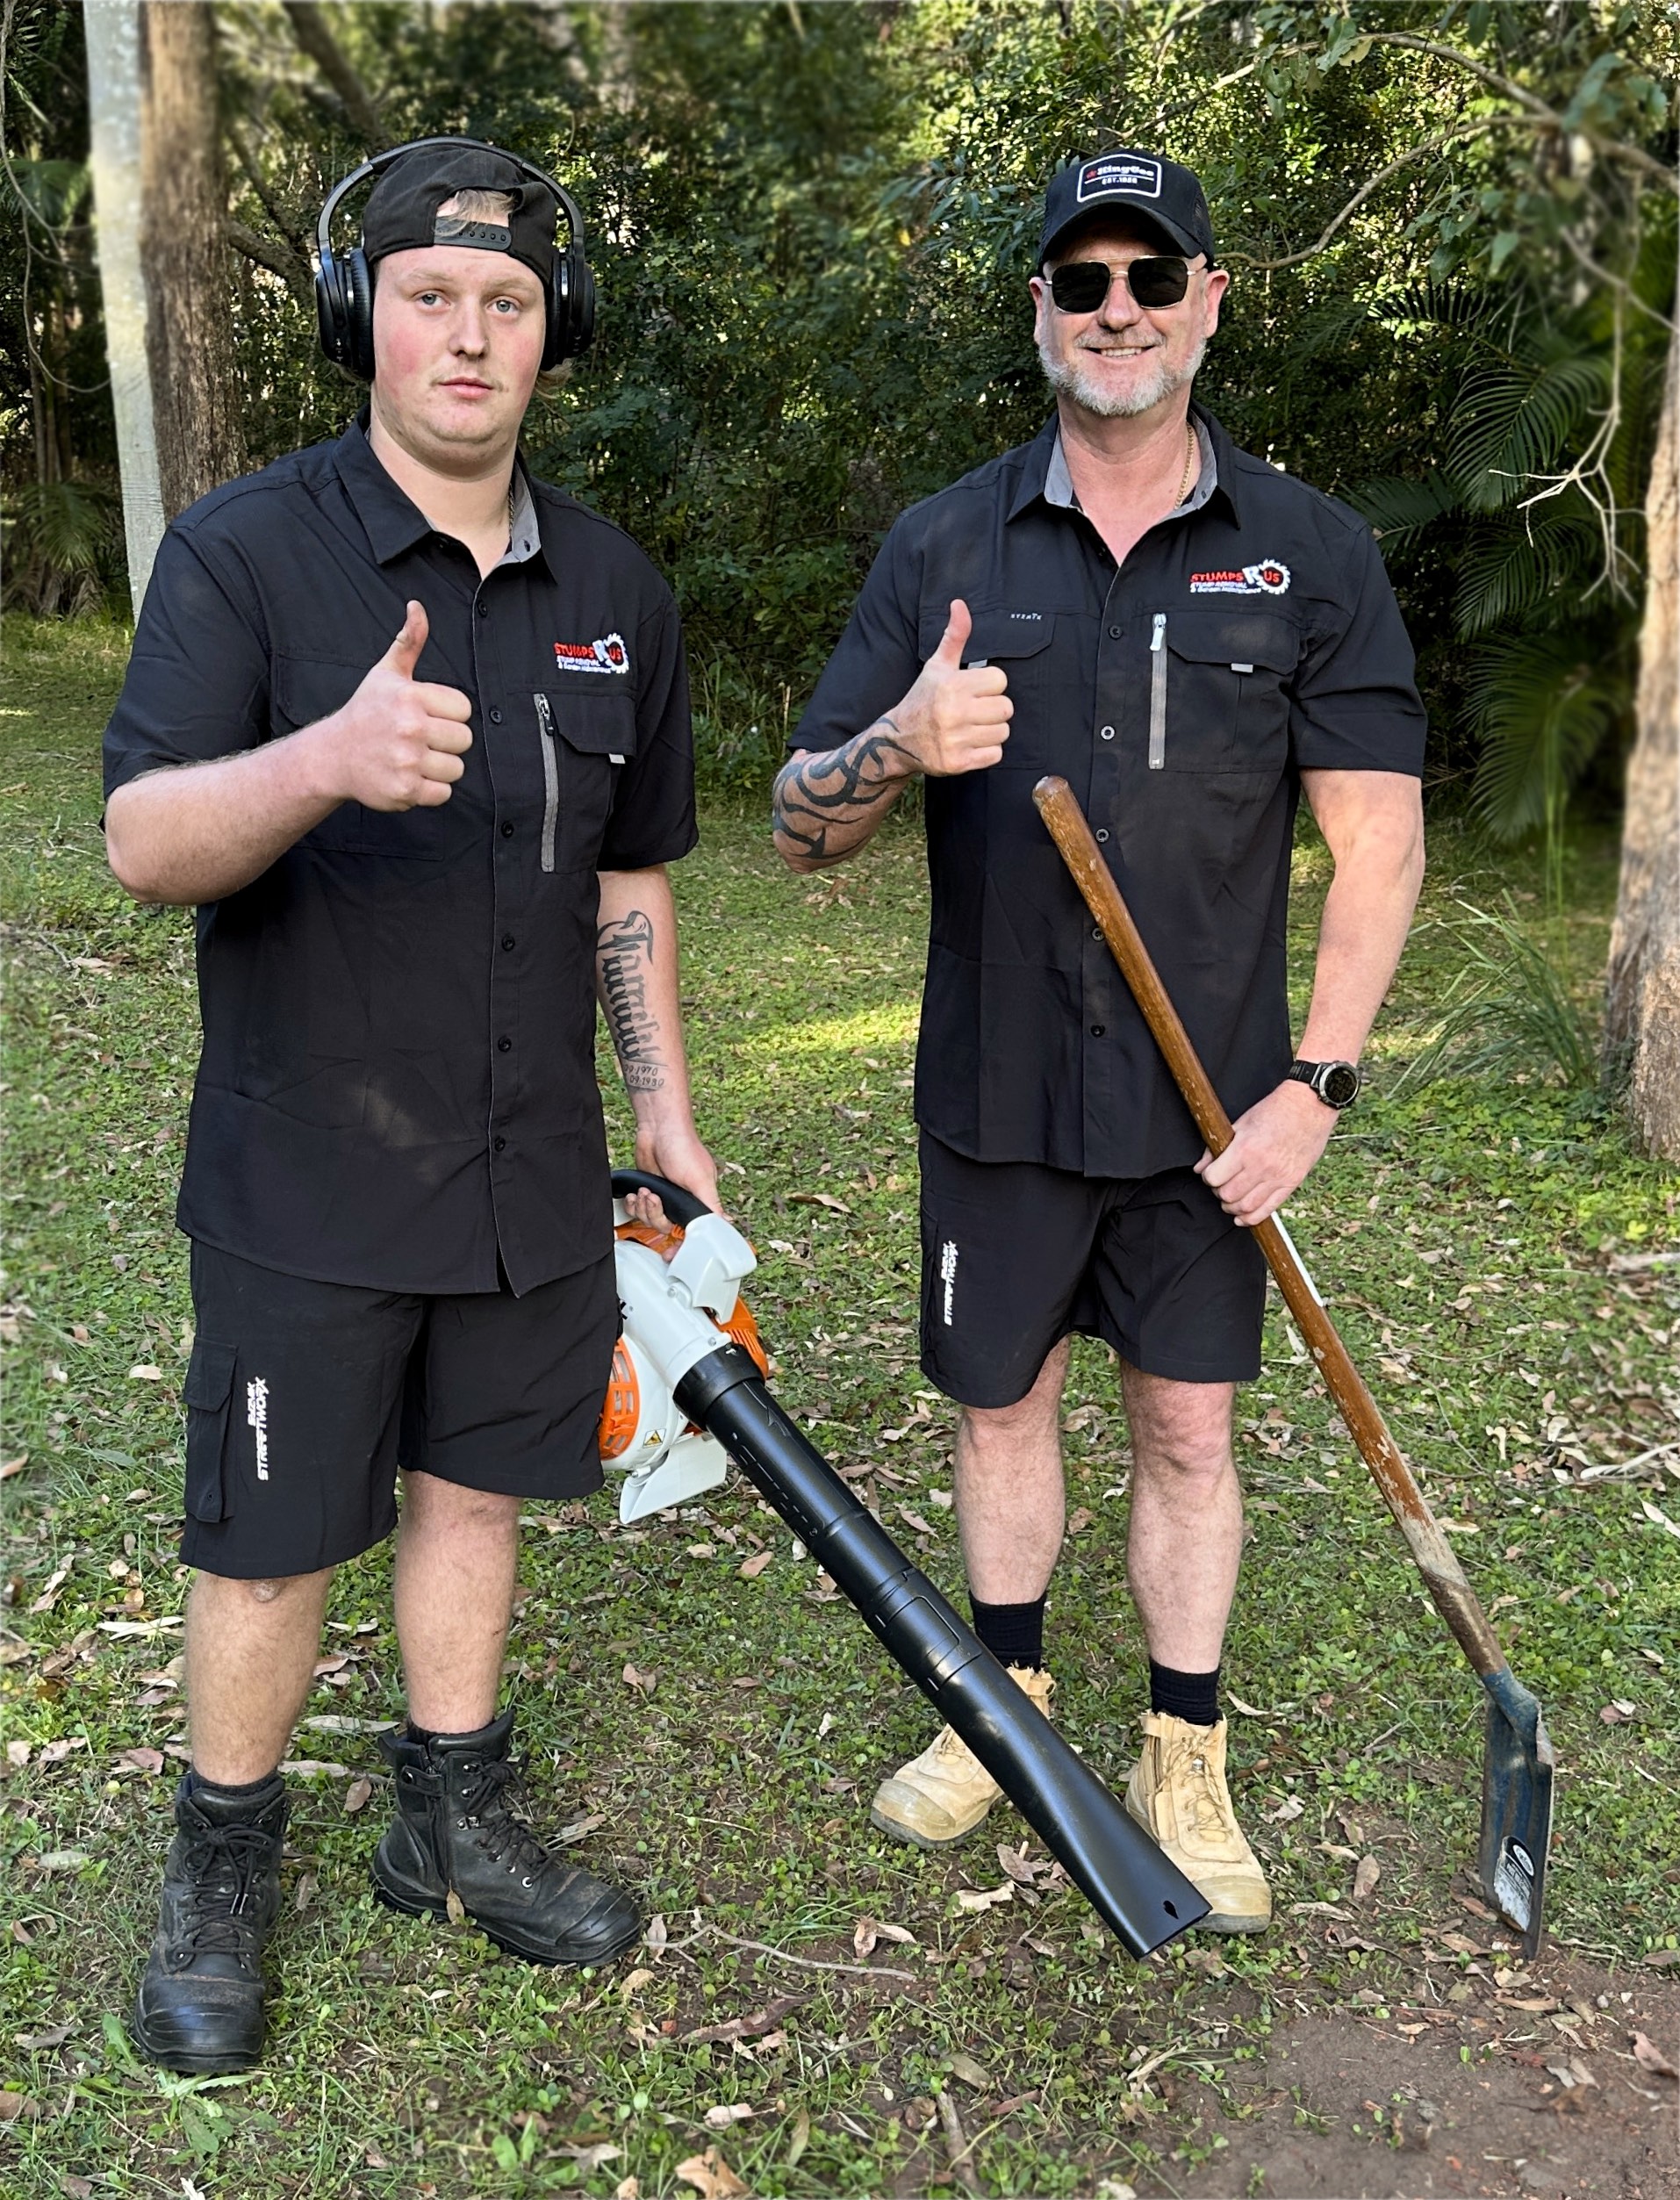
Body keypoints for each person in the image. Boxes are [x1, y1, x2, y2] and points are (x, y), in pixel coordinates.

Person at [103, 140, 715, 2074]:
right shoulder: (245, 553)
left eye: (511, 303)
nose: (471, 332)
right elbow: (140, 836)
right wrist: (325, 755)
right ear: (358, 314)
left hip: (531, 1163)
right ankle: (222, 1860)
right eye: (432, 295)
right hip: (306, 1167)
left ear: (557, 338)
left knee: (479, 1489)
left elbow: (630, 878)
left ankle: (449, 1810)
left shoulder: (615, 583)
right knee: (274, 1537)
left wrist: (668, 1110)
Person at [772, 149, 1425, 1933]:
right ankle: (1006, 1711)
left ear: (1211, 300)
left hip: (1214, 1112)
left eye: (1152, 276)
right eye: (1083, 281)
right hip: (992, 1092)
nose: (1117, 309)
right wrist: (901, 738)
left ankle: (1182, 1747)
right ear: (1039, 314)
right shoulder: (945, 545)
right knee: (1000, 1415)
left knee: (1191, 1433)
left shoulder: (1312, 554)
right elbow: (794, 823)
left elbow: (1379, 841)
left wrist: (1320, 1083)